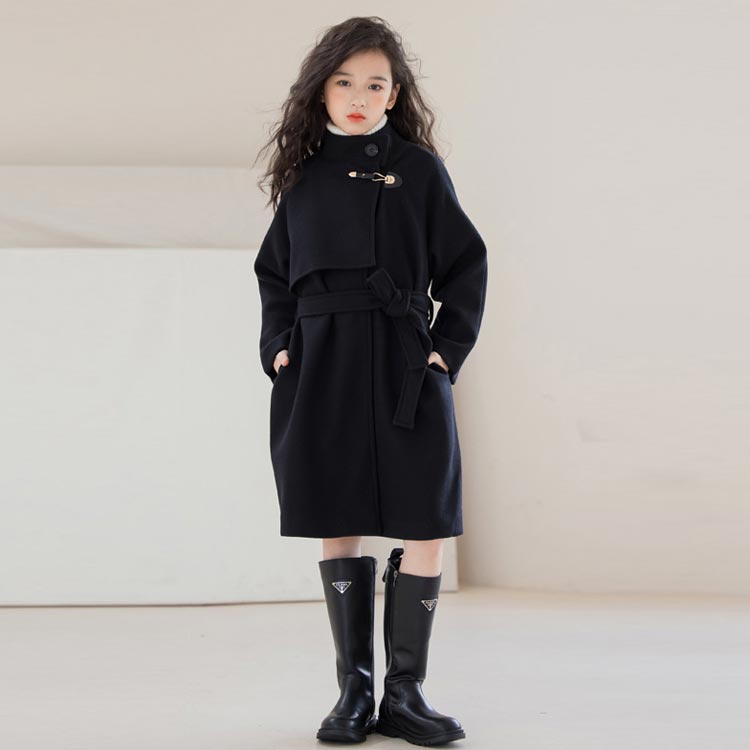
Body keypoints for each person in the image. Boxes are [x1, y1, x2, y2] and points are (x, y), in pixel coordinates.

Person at [253, 16, 488, 746]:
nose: (359, 97)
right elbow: (273, 275)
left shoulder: (418, 169)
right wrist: (279, 346)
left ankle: (406, 694)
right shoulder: (302, 178)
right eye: (345, 82)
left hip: (404, 357)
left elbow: (467, 263)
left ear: (395, 94)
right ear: (321, 90)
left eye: (376, 85)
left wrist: (446, 349)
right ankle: (353, 692)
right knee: (336, 512)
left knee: (426, 516)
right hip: (322, 360)